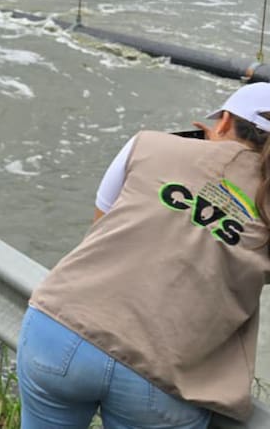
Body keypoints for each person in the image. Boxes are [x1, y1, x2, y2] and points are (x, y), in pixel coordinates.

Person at [18, 82, 270, 427]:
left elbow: (100, 229)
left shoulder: (148, 144)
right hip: (165, 376)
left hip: (60, 329)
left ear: (224, 121)